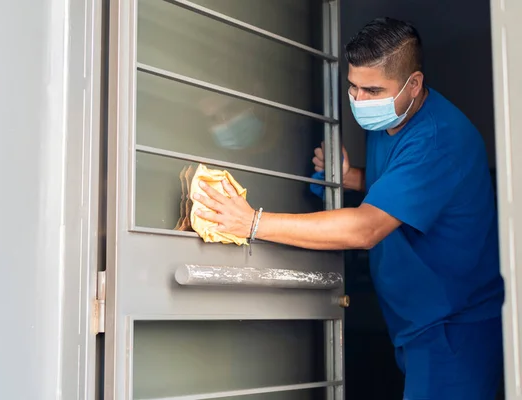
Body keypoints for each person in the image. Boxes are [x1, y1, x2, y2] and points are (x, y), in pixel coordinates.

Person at [192, 17, 505, 400]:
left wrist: (252, 222)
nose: (359, 101)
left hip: (456, 328)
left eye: (373, 90)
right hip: (417, 322)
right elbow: (401, 190)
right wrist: (350, 176)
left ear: (415, 84)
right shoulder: (391, 118)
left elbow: (366, 229)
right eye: (353, 87)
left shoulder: (439, 139)